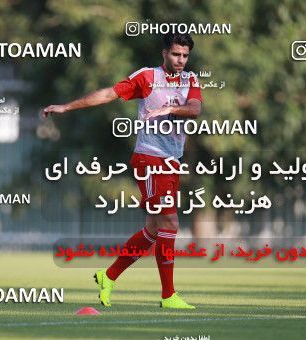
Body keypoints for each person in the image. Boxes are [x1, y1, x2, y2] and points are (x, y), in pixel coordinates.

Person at [43, 33, 202, 309]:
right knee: (170, 224)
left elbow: (195, 109)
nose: (180, 60)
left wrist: (168, 109)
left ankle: (109, 275)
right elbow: (108, 94)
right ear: (164, 53)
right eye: (176, 54)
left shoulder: (191, 80)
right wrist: (67, 107)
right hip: (150, 158)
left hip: (171, 161)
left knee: (154, 229)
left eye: (185, 56)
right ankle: (168, 296)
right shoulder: (147, 77)